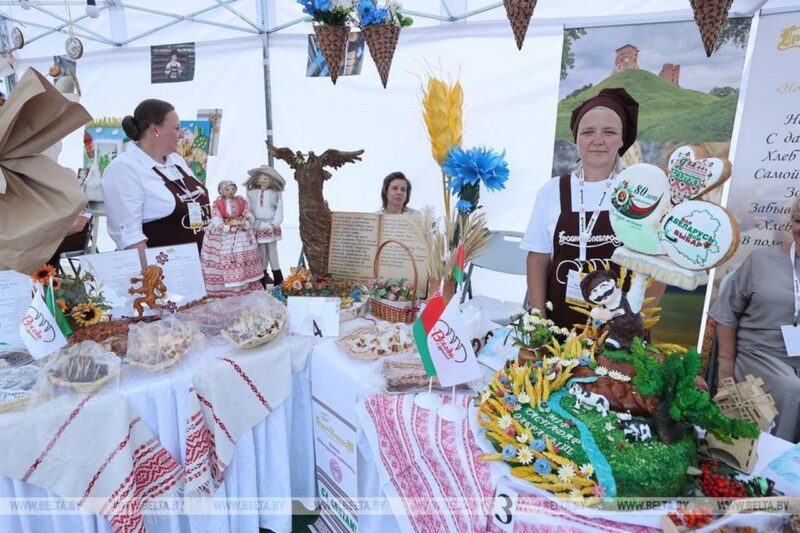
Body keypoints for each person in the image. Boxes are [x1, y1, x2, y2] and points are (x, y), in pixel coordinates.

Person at [521, 88, 663, 329]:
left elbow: (658, 266)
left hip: (619, 331)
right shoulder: (552, 191)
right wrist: (538, 323)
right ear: (576, 139)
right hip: (558, 327)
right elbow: (537, 260)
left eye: (609, 132)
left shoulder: (639, 192)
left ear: (622, 139)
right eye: (588, 132)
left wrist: (639, 325)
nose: (598, 140)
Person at [709, 200, 800, 443]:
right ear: (791, 221)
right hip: (759, 356)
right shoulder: (761, 260)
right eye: (799, 221)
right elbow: (726, 313)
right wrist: (725, 366)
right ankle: (773, 461)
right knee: (791, 388)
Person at [101, 99, 209, 267]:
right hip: (166, 272)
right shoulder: (124, 169)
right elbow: (130, 237)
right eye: (176, 128)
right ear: (155, 129)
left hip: (199, 267)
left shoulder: (177, 161)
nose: (181, 135)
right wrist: (154, 278)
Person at [200, 181, 264, 296]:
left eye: (233, 189)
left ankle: (244, 283)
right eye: (227, 190)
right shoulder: (218, 203)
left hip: (241, 230)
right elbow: (216, 217)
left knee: (243, 255)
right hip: (224, 233)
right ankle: (222, 288)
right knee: (219, 256)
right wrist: (225, 227)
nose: (230, 192)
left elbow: (246, 212)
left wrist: (247, 220)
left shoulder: (240, 200)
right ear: (221, 191)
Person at [245, 165, 285, 286]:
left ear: (271, 180)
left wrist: (276, 222)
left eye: (265, 178)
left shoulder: (275, 192)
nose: (262, 180)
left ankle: (277, 275)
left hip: (270, 224)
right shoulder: (251, 192)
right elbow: (248, 206)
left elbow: (280, 207)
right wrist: (249, 219)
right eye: (260, 178)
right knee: (261, 251)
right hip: (257, 224)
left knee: (272, 250)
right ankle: (262, 276)